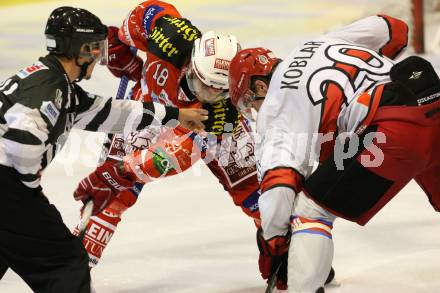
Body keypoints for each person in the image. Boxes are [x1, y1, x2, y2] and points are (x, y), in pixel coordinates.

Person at [70, 1, 294, 290]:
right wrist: (116, 44)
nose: (210, 93)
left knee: (258, 195)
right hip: (145, 109)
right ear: (192, 63)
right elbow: (143, 15)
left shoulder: (222, 111)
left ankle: (299, 258)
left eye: (219, 89)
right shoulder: (169, 34)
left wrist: (123, 171)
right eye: (203, 84)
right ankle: (72, 272)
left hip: (200, 129)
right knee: (111, 197)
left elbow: (169, 158)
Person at [0, 6, 207, 293]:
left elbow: (112, 112)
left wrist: (175, 115)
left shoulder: (56, 83)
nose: (99, 55)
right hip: (7, 188)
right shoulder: (51, 87)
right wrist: (28, 191)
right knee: (66, 264)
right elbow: (23, 141)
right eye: (95, 47)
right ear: (79, 49)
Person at [229, 15, 439, 292]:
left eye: (249, 101)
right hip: (431, 96)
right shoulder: (316, 42)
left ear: (259, 86)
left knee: (311, 211)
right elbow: (393, 30)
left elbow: (279, 186)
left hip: (391, 126)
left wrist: (273, 245)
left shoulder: (276, 103)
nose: (255, 110)